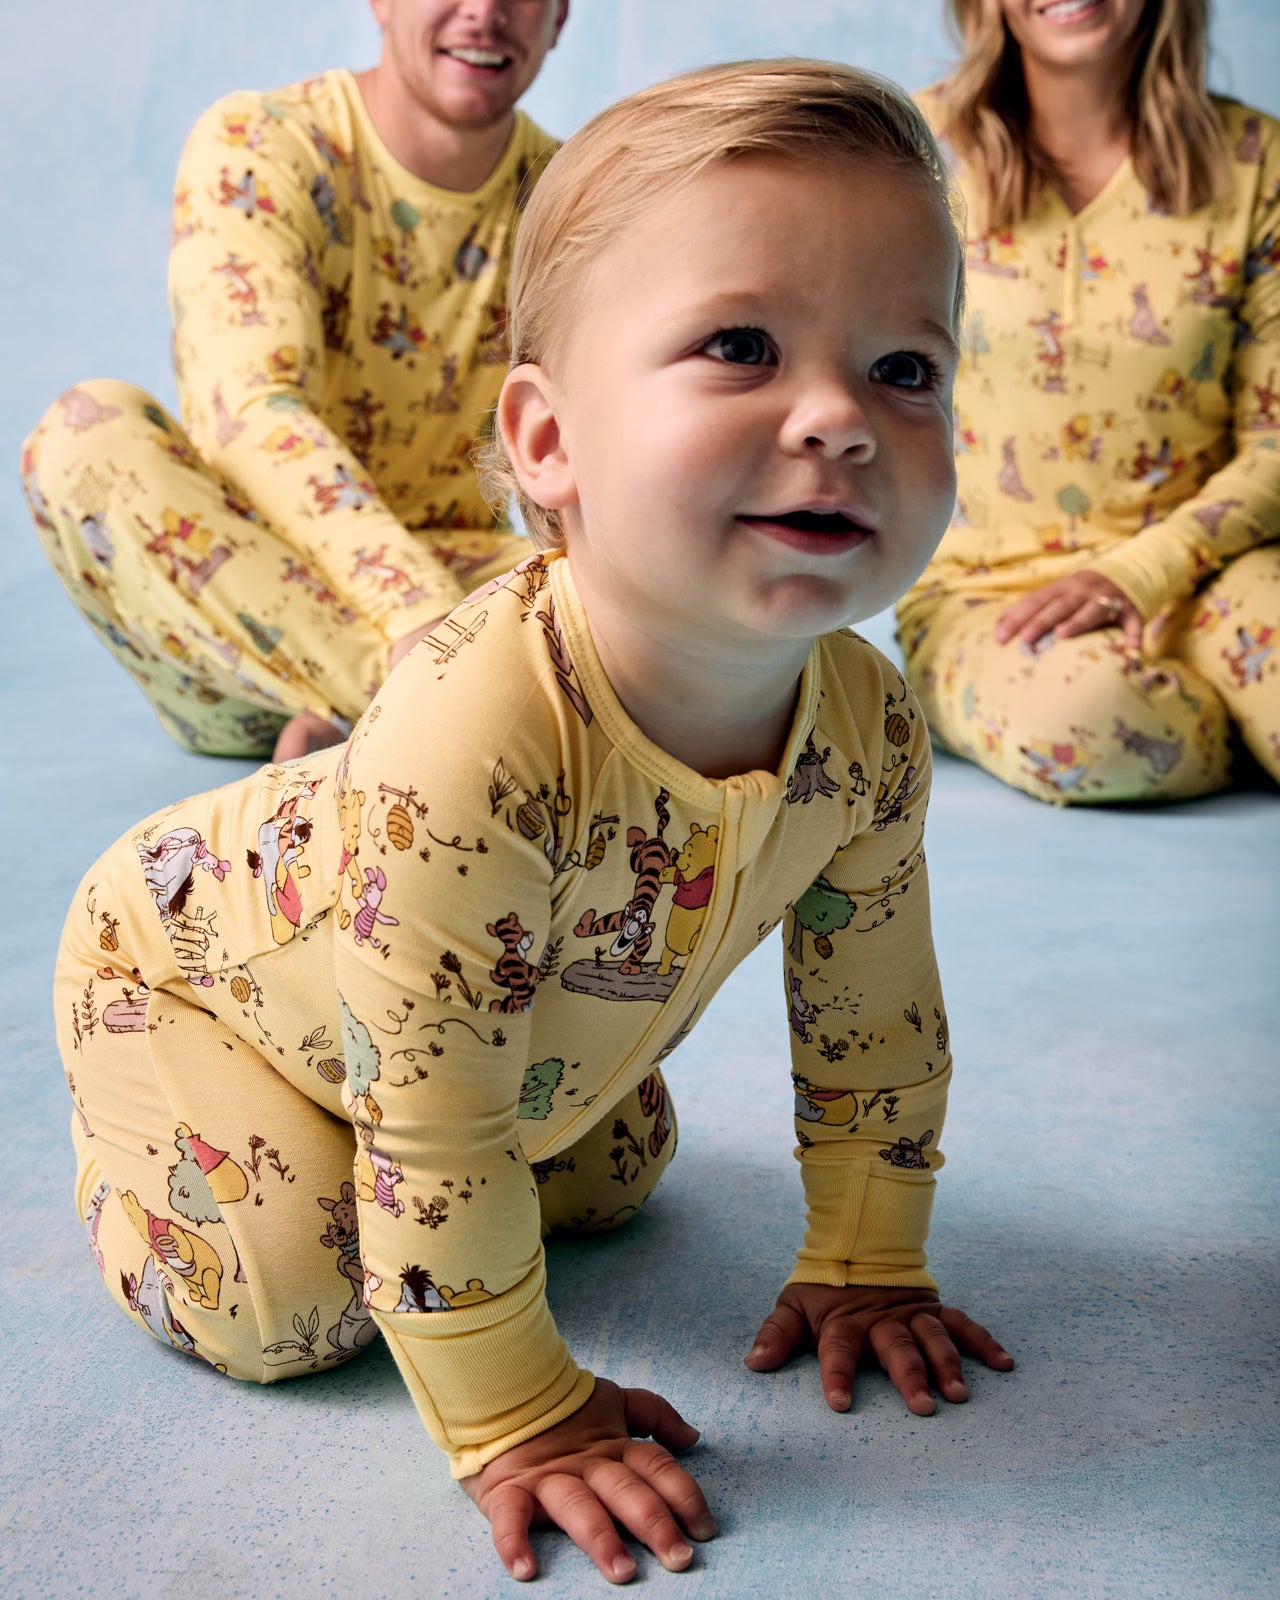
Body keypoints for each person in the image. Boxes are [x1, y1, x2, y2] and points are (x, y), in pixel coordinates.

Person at [53, 60, 1014, 1584]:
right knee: (290, 1299)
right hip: (185, 966)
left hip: (451, 1025)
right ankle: (143, 1132)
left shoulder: (870, 725)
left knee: (610, 1171)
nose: (839, 418)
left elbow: (875, 1026)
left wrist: (868, 1257)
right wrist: (520, 1414)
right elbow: (438, 1134)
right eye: (743, 347)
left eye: (906, 367)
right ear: (549, 443)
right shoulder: (473, 729)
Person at [21, 0, 567, 763]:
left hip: (458, 576)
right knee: (86, 436)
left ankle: (361, 733)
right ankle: (439, 710)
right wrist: (416, 616)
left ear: (560, 17)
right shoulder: (261, 143)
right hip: (237, 604)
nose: (484, 11)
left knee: (642, 582)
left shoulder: (566, 196)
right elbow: (250, 411)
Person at [897, 0, 1280, 803]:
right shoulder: (906, 154)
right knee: (1086, 721)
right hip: (987, 596)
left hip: (1209, 572)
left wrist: (1141, 573)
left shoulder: (1257, 162)